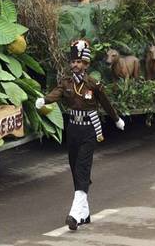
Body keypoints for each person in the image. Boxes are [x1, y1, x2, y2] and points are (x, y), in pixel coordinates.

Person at [35, 39, 125, 231]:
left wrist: (116, 119)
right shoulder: (66, 83)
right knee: (76, 168)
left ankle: (75, 214)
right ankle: (84, 213)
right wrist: (44, 100)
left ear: (86, 64)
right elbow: (56, 93)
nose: (75, 65)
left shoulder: (93, 84)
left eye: (79, 62)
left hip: (89, 130)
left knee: (83, 167)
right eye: (73, 62)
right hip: (73, 130)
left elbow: (106, 103)